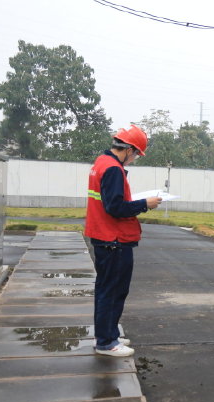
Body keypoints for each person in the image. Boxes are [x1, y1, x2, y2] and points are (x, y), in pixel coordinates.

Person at [84, 125, 162, 357]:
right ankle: (106, 342)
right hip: (113, 239)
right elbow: (115, 207)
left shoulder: (101, 162)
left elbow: (110, 201)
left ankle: (108, 334)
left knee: (106, 289)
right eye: (136, 154)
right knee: (113, 291)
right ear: (128, 150)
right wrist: (145, 204)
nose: (135, 159)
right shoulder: (113, 169)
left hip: (104, 236)